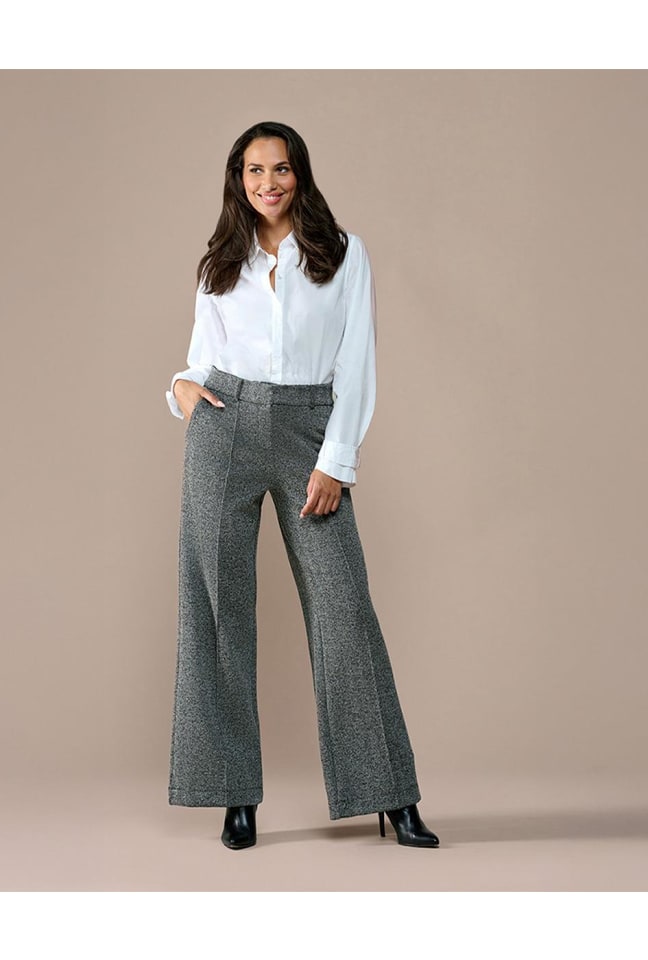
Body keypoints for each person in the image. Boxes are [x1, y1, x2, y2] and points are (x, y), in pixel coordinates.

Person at [165, 121, 439, 851]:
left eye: (280, 169)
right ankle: (234, 795)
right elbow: (200, 356)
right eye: (254, 171)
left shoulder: (342, 253)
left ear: (300, 174)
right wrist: (182, 389)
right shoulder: (222, 260)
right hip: (223, 426)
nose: (268, 183)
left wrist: (336, 459)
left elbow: (357, 361)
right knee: (217, 608)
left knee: (344, 611)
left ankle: (391, 793)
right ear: (239, 179)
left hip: (308, 430)